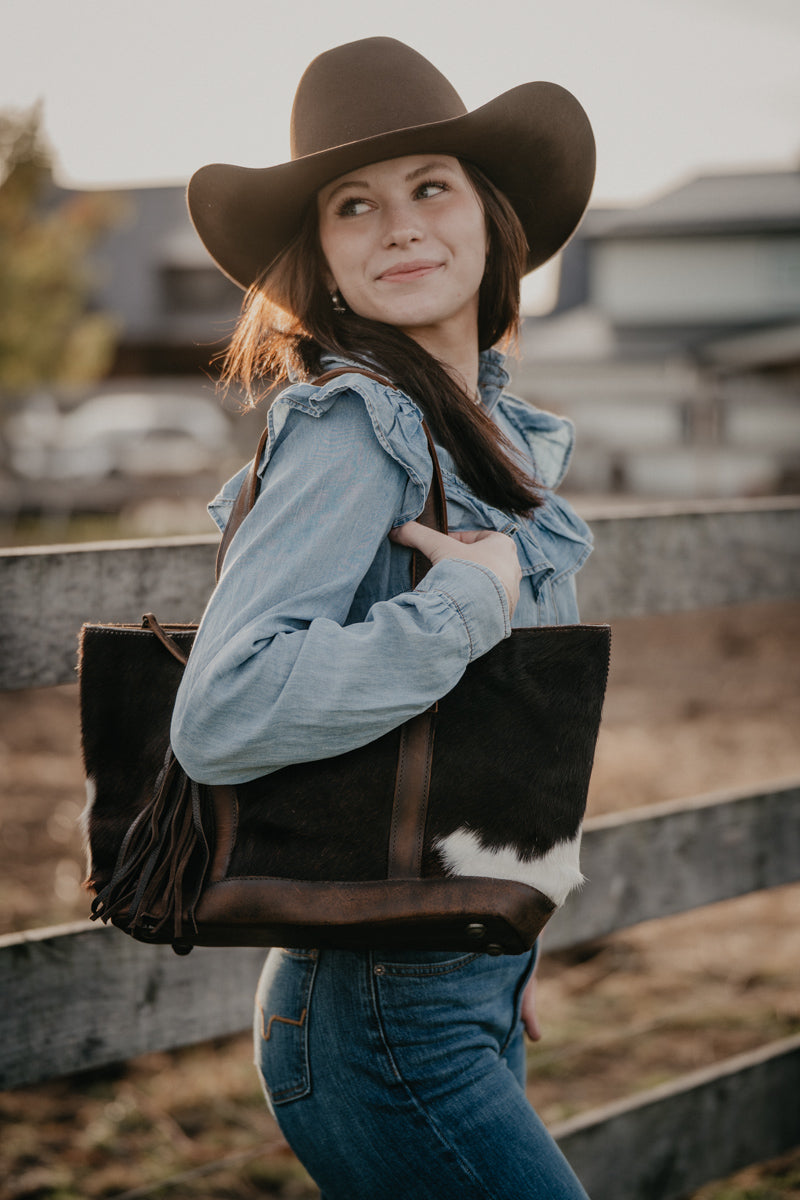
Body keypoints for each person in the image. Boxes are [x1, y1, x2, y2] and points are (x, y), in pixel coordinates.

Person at [171, 36, 596, 1200]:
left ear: (487, 217)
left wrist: (500, 950)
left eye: (429, 187)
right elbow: (220, 713)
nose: (398, 225)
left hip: (461, 980)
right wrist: (459, 606)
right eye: (353, 205)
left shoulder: (484, 431)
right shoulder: (356, 427)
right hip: (376, 1014)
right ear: (321, 255)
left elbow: (502, 748)